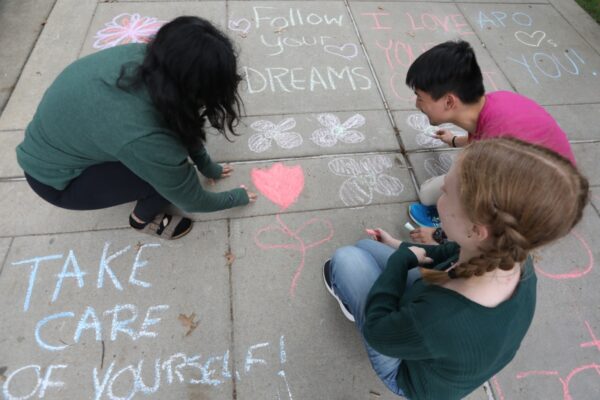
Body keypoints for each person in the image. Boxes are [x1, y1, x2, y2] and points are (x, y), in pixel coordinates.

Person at [323, 138, 589, 399]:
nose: (439, 196)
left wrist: (400, 260)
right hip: (441, 334)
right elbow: (449, 251)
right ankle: (366, 291)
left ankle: (354, 303)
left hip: (409, 377)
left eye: (446, 192)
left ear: (476, 230)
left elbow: (378, 333)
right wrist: (398, 246)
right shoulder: (510, 254)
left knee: (347, 259)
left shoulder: (443, 317)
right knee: (365, 247)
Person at [16, 16, 257, 240]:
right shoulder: (145, 136)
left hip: (58, 146)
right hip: (58, 183)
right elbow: (192, 200)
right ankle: (142, 220)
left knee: (167, 158)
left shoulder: (143, 58)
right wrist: (236, 197)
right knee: (166, 179)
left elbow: (184, 121)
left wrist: (208, 166)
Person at [404, 40, 575, 244]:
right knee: (429, 194)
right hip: (533, 172)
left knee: (453, 200)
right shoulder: (494, 102)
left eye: (420, 97)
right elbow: (482, 132)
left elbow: (489, 208)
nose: (417, 104)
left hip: (542, 204)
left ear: (449, 102)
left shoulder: (495, 151)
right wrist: (454, 140)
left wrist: (440, 234)